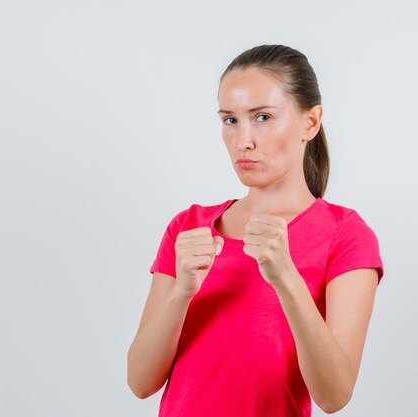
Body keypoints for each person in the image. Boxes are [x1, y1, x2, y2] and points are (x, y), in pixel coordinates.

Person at [127, 44, 384, 417]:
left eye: (262, 117)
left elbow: (334, 395)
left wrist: (287, 278)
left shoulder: (345, 234)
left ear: (310, 123)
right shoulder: (189, 226)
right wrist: (181, 291)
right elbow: (139, 381)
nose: (243, 141)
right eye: (230, 120)